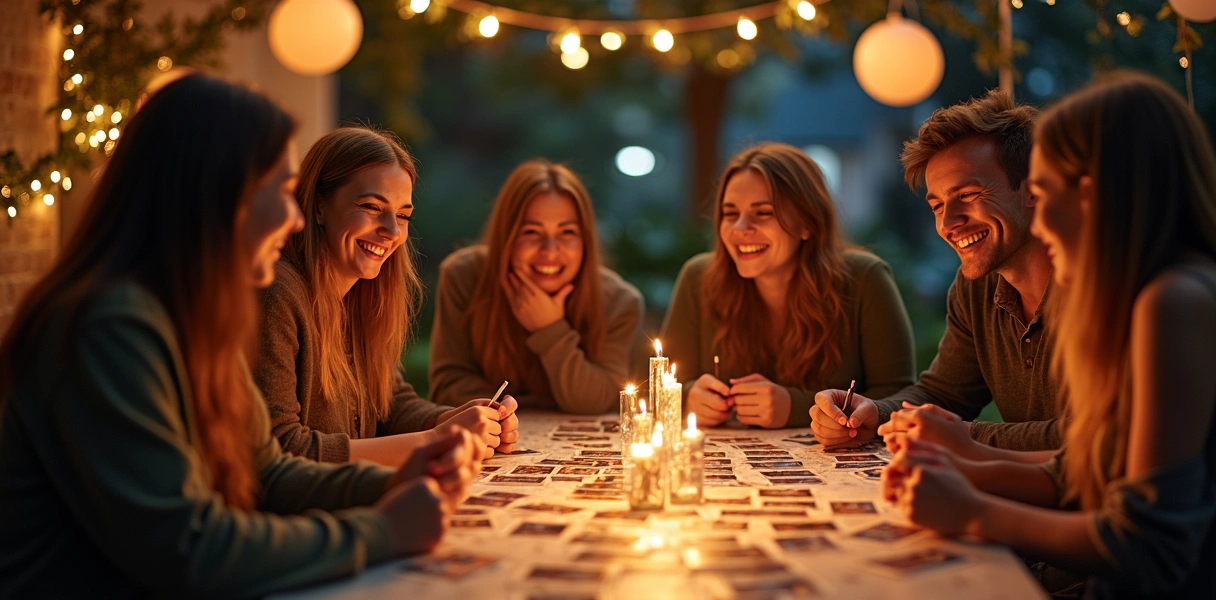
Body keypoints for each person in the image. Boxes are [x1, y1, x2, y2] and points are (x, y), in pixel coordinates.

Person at [0, 74, 480, 600]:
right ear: (215, 192)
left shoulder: (193, 316)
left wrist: (395, 483)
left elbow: (268, 473)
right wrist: (382, 531)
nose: (296, 218)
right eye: (281, 192)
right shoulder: (109, 326)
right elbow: (188, 550)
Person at [884, 71, 1216, 600]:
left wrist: (971, 509)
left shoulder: (1173, 299)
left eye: (1042, 191)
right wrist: (961, 462)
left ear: (1092, 191)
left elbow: (1152, 550)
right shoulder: (1138, 291)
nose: (1039, 216)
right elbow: (1087, 468)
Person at [811, 90, 1061, 459]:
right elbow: (945, 394)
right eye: (938, 204)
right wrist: (873, 414)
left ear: (1033, 191)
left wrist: (966, 437)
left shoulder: (1101, 283)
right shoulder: (976, 286)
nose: (947, 223)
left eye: (969, 194)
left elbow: (1103, 434)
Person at [255, 126, 519, 464]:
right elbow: (281, 450)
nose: (392, 232)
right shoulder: (278, 295)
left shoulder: (358, 297)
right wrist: (437, 439)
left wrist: (452, 420)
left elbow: (389, 405)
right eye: (370, 206)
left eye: (403, 215)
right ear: (318, 207)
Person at [662, 143, 915, 429]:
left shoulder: (865, 278)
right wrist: (686, 399)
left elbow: (900, 398)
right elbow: (651, 387)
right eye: (730, 214)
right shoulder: (699, 278)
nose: (740, 228)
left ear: (808, 222)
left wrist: (796, 407)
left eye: (763, 213)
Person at [429, 160, 643, 415]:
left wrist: (549, 330)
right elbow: (447, 386)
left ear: (586, 239)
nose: (550, 250)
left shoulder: (619, 301)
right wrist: (538, 405)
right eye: (531, 232)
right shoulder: (464, 276)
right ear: (506, 235)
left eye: (567, 233)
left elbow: (597, 400)